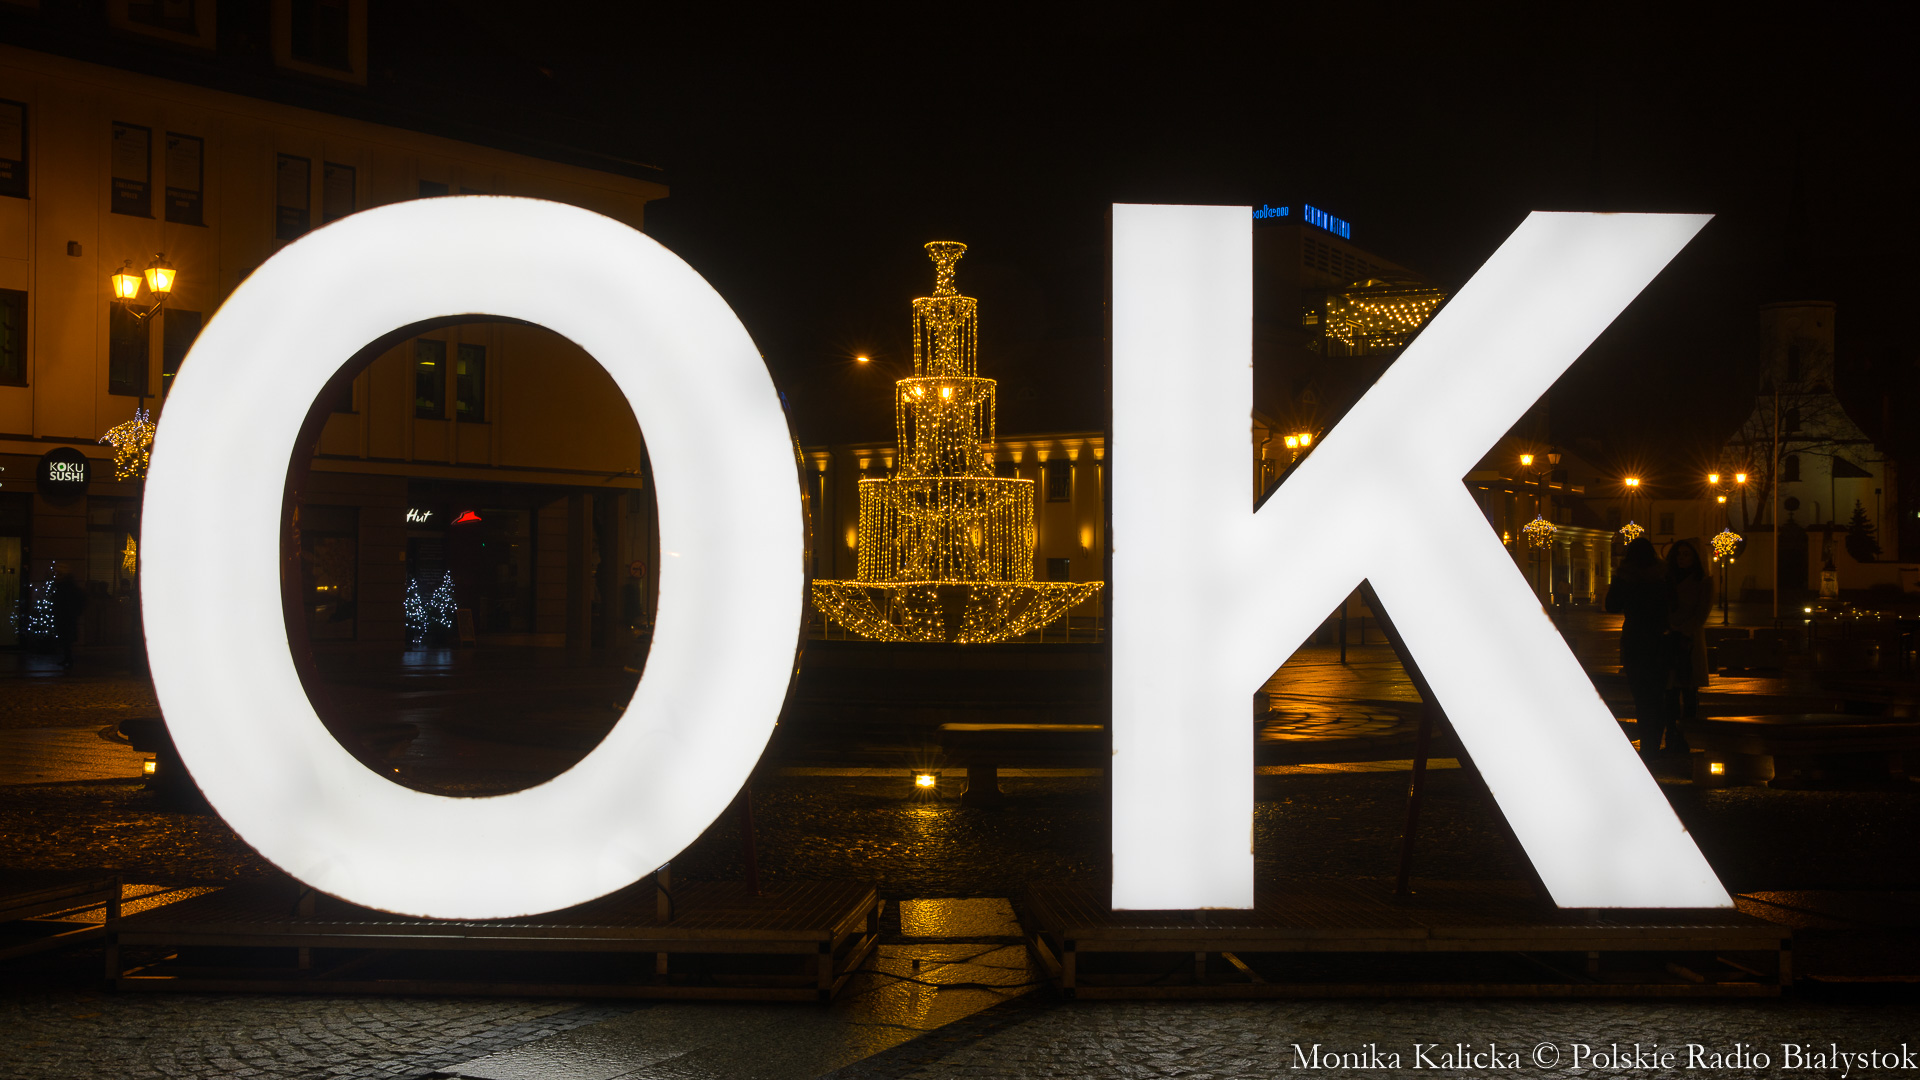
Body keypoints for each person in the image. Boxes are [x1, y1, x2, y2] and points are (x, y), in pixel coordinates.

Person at [1605, 538, 1671, 761]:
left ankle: (1646, 744)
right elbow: (1672, 605)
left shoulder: (1625, 577)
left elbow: (1611, 605)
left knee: (1641, 695)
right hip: (1659, 639)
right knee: (1657, 695)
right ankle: (1654, 742)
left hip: (1634, 639)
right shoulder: (1662, 577)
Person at [1662, 538, 1713, 752]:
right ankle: (1672, 737)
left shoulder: (1703, 581)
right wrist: (1667, 625)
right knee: (1670, 692)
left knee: (1689, 690)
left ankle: (1689, 737)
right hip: (1669, 638)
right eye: (1679, 554)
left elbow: (1702, 612)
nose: (1681, 558)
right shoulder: (1667, 579)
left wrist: (1682, 628)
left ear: (1695, 557)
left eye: (1686, 554)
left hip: (1689, 640)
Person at [49, 564, 87, 669]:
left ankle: (68, 659)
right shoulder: (68, 587)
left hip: (66, 617)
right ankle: (67, 659)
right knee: (66, 640)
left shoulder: (65, 587)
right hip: (66, 617)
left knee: (66, 640)